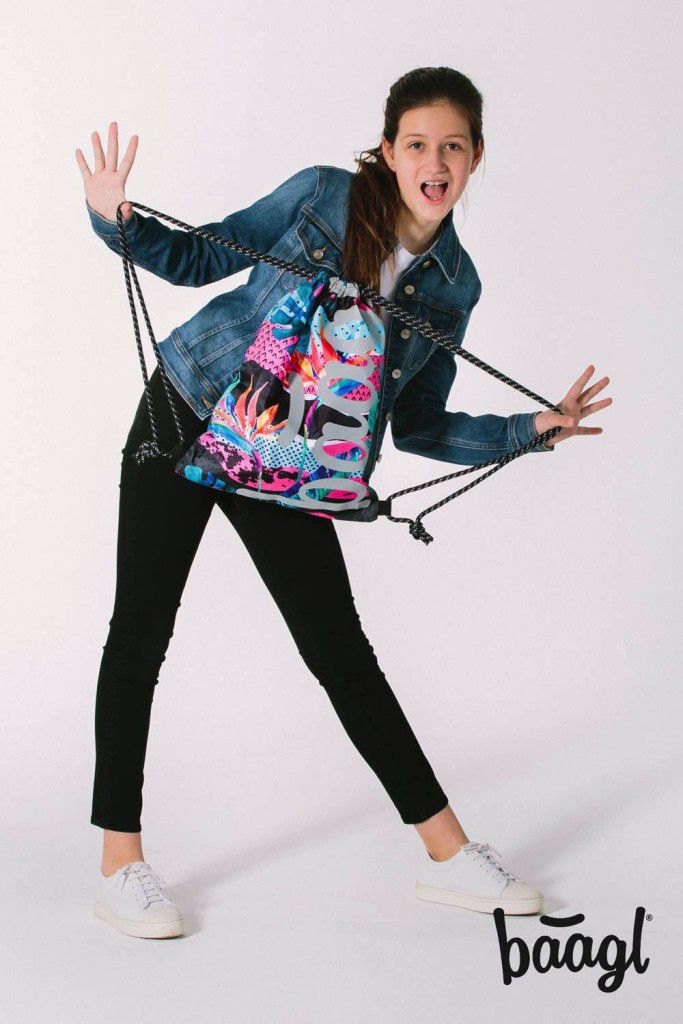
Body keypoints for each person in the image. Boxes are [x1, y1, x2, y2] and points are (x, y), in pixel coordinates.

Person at [75, 66, 612, 939]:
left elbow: (420, 425)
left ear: (475, 157)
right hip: (193, 403)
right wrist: (115, 219)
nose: (434, 162)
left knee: (340, 651)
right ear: (389, 149)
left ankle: (448, 854)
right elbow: (203, 257)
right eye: (417, 144)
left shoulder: (453, 284)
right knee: (140, 630)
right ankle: (119, 866)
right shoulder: (323, 196)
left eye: (452, 147)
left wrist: (529, 430)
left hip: (287, 458)